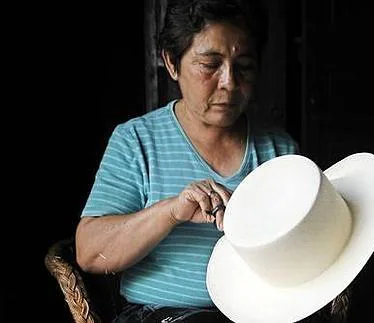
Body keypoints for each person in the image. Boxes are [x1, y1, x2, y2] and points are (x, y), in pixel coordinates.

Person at [74, 0, 299, 321]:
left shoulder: (279, 150)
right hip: (159, 315)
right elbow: (90, 254)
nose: (229, 83)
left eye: (244, 66)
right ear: (172, 62)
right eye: (210, 64)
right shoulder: (137, 141)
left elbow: (302, 256)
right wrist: (171, 211)